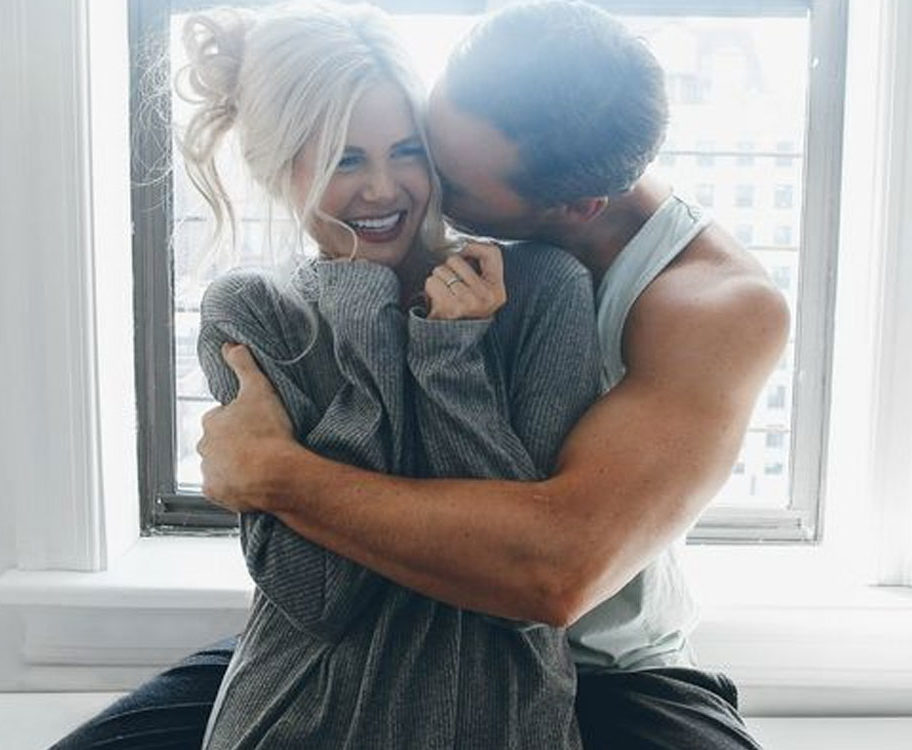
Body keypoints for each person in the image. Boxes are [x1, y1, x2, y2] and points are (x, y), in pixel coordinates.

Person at [54, 2, 788, 748]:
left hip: (601, 663)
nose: (410, 191)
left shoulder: (712, 308)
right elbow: (315, 593)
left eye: (439, 171)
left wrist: (275, 473)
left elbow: (551, 574)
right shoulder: (496, 181)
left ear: (574, 207)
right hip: (369, 624)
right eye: (426, 145)